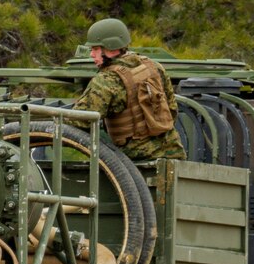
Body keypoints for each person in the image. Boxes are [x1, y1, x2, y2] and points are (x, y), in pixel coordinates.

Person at [71, 18, 185, 161]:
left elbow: (79, 120)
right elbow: (172, 109)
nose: (91, 55)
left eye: (95, 49)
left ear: (110, 47)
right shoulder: (154, 67)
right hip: (174, 156)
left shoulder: (106, 80)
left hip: (136, 163)